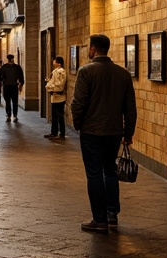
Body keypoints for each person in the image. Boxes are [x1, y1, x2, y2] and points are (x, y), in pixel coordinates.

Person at [70, 33, 137, 233]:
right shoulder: (123, 74)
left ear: (93, 48)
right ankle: (112, 214)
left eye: (89, 48)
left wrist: (78, 124)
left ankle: (99, 220)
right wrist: (128, 133)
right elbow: (130, 108)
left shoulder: (86, 72)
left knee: (94, 174)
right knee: (110, 170)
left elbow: (78, 103)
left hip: (91, 131)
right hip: (114, 131)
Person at [44, 55, 68, 139]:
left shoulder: (60, 72)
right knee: (54, 116)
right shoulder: (56, 71)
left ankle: (61, 133)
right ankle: (53, 132)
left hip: (59, 97)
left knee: (59, 116)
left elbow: (60, 85)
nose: (53, 61)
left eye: (54, 60)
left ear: (58, 63)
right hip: (54, 97)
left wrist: (51, 88)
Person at [0, 53, 24, 121]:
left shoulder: (4, 67)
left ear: (7, 59)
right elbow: (21, 77)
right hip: (14, 86)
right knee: (15, 102)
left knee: (7, 102)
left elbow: (0, 76)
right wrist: (21, 84)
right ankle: (15, 116)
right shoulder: (17, 67)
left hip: (6, 86)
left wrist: (2, 80)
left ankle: (8, 115)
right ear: (12, 59)